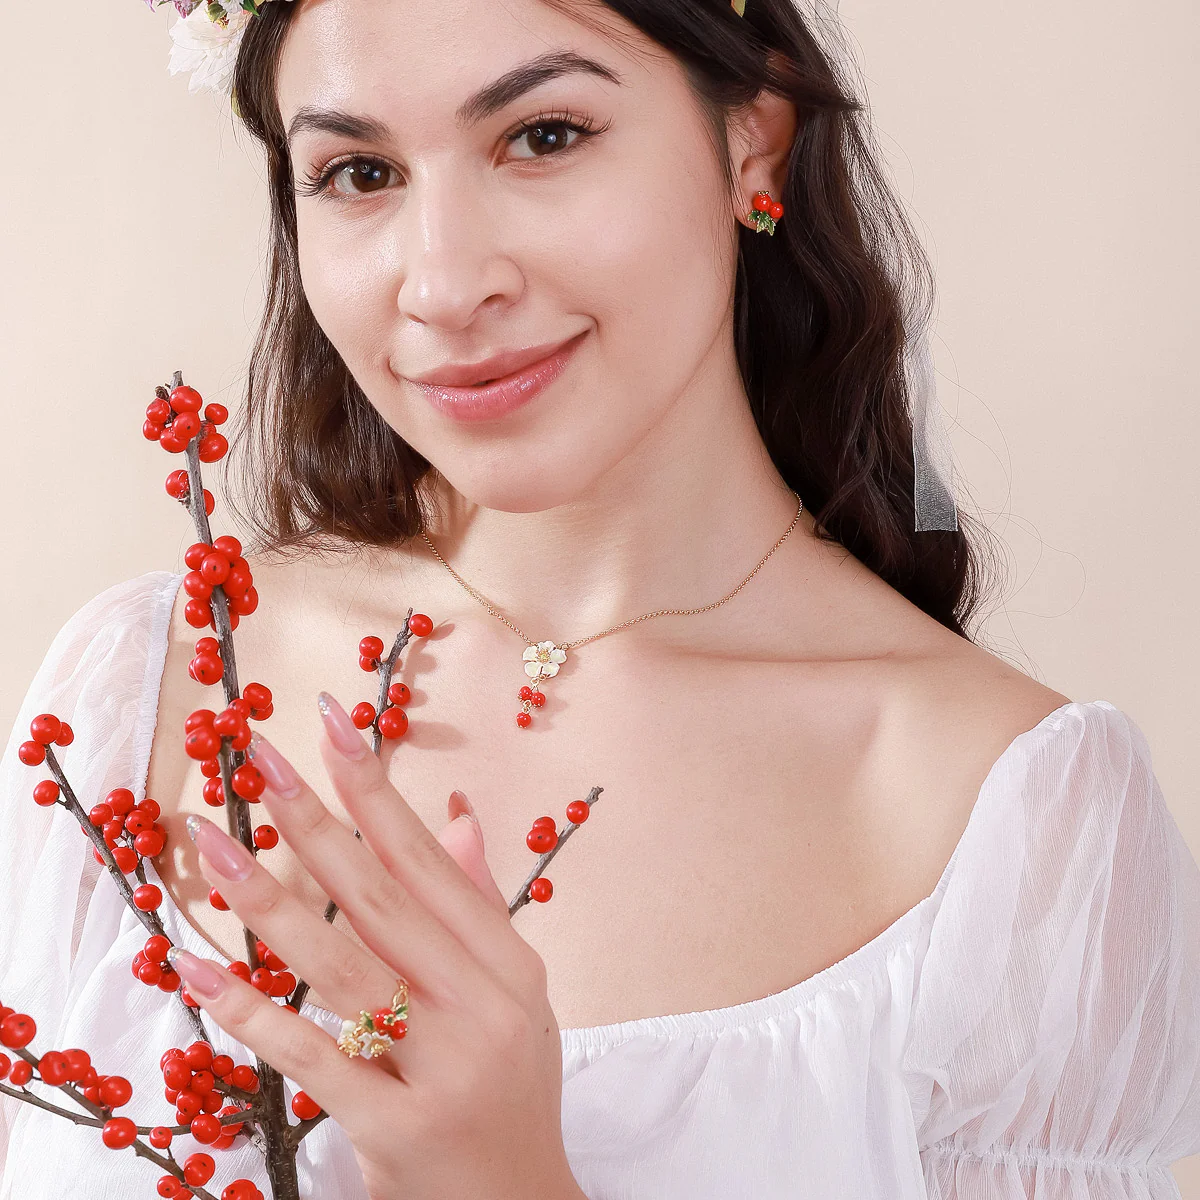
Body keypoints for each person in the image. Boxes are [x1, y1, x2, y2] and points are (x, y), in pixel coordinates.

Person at [2, 0, 1198, 1196]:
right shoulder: (147, 689)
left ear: (754, 141)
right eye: (358, 171)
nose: (445, 284)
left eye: (545, 136)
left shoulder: (1012, 824)